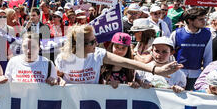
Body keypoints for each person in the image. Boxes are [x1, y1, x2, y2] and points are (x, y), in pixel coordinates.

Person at [55, 24, 183, 85]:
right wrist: (59, 81)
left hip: (90, 100)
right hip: (70, 103)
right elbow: (57, 76)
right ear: (80, 45)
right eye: (93, 41)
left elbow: (128, 62)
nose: (97, 43)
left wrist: (157, 70)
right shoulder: (63, 59)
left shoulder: (98, 54)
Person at [170, 7, 212, 91]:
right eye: (200, 19)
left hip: (196, 74)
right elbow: (169, 54)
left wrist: (207, 75)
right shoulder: (176, 33)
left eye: (204, 18)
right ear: (189, 20)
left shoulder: (207, 34)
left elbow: (208, 56)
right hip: (177, 73)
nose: (204, 21)